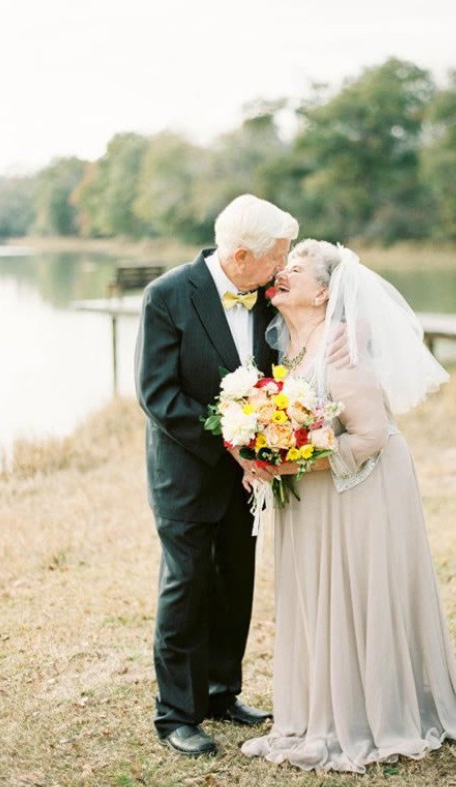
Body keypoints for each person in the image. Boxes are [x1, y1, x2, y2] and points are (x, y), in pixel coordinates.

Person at [241, 240, 456, 773]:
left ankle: (369, 713)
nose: (282, 274)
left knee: (359, 591)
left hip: (358, 489)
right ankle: (324, 706)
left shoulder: (341, 348)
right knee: (320, 595)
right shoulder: (287, 346)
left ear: (324, 292)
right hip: (313, 498)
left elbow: (372, 434)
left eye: (295, 269)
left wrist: (293, 464)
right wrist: (257, 454)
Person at [135, 194, 299, 757]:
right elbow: (157, 395)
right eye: (278, 257)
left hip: (247, 477)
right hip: (185, 472)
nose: (283, 267)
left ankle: (221, 692)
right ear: (243, 254)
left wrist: (278, 433)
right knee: (187, 586)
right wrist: (230, 446)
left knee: (236, 580)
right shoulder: (167, 295)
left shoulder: (264, 298)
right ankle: (176, 714)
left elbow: (273, 375)